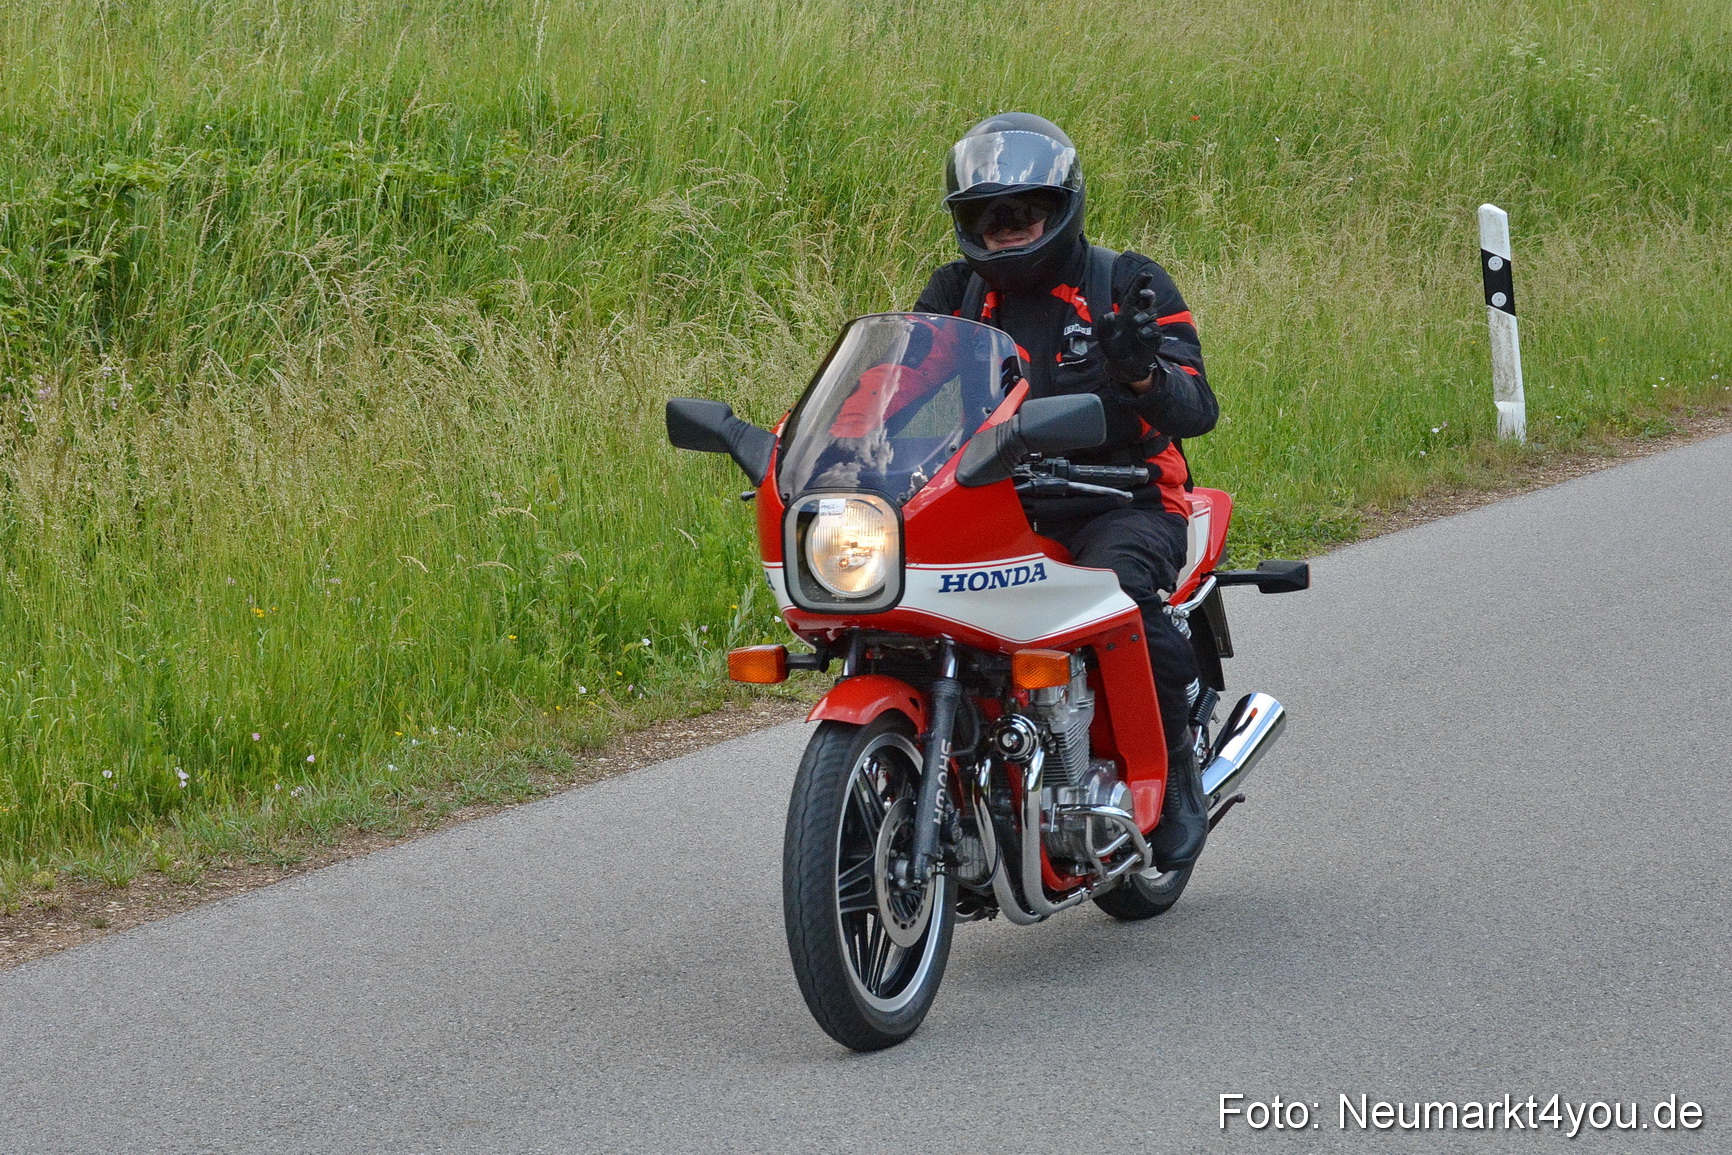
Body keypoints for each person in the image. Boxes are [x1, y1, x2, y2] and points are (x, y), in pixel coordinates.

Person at [913, 112, 1219, 871]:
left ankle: (1173, 770)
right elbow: (898, 388)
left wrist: (1143, 371)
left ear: (1062, 208)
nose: (1006, 227)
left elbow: (1198, 410)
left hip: (1124, 500)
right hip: (999, 502)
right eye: (989, 214)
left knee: (1116, 594)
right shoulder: (956, 294)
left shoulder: (1124, 282)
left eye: (1025, 211)